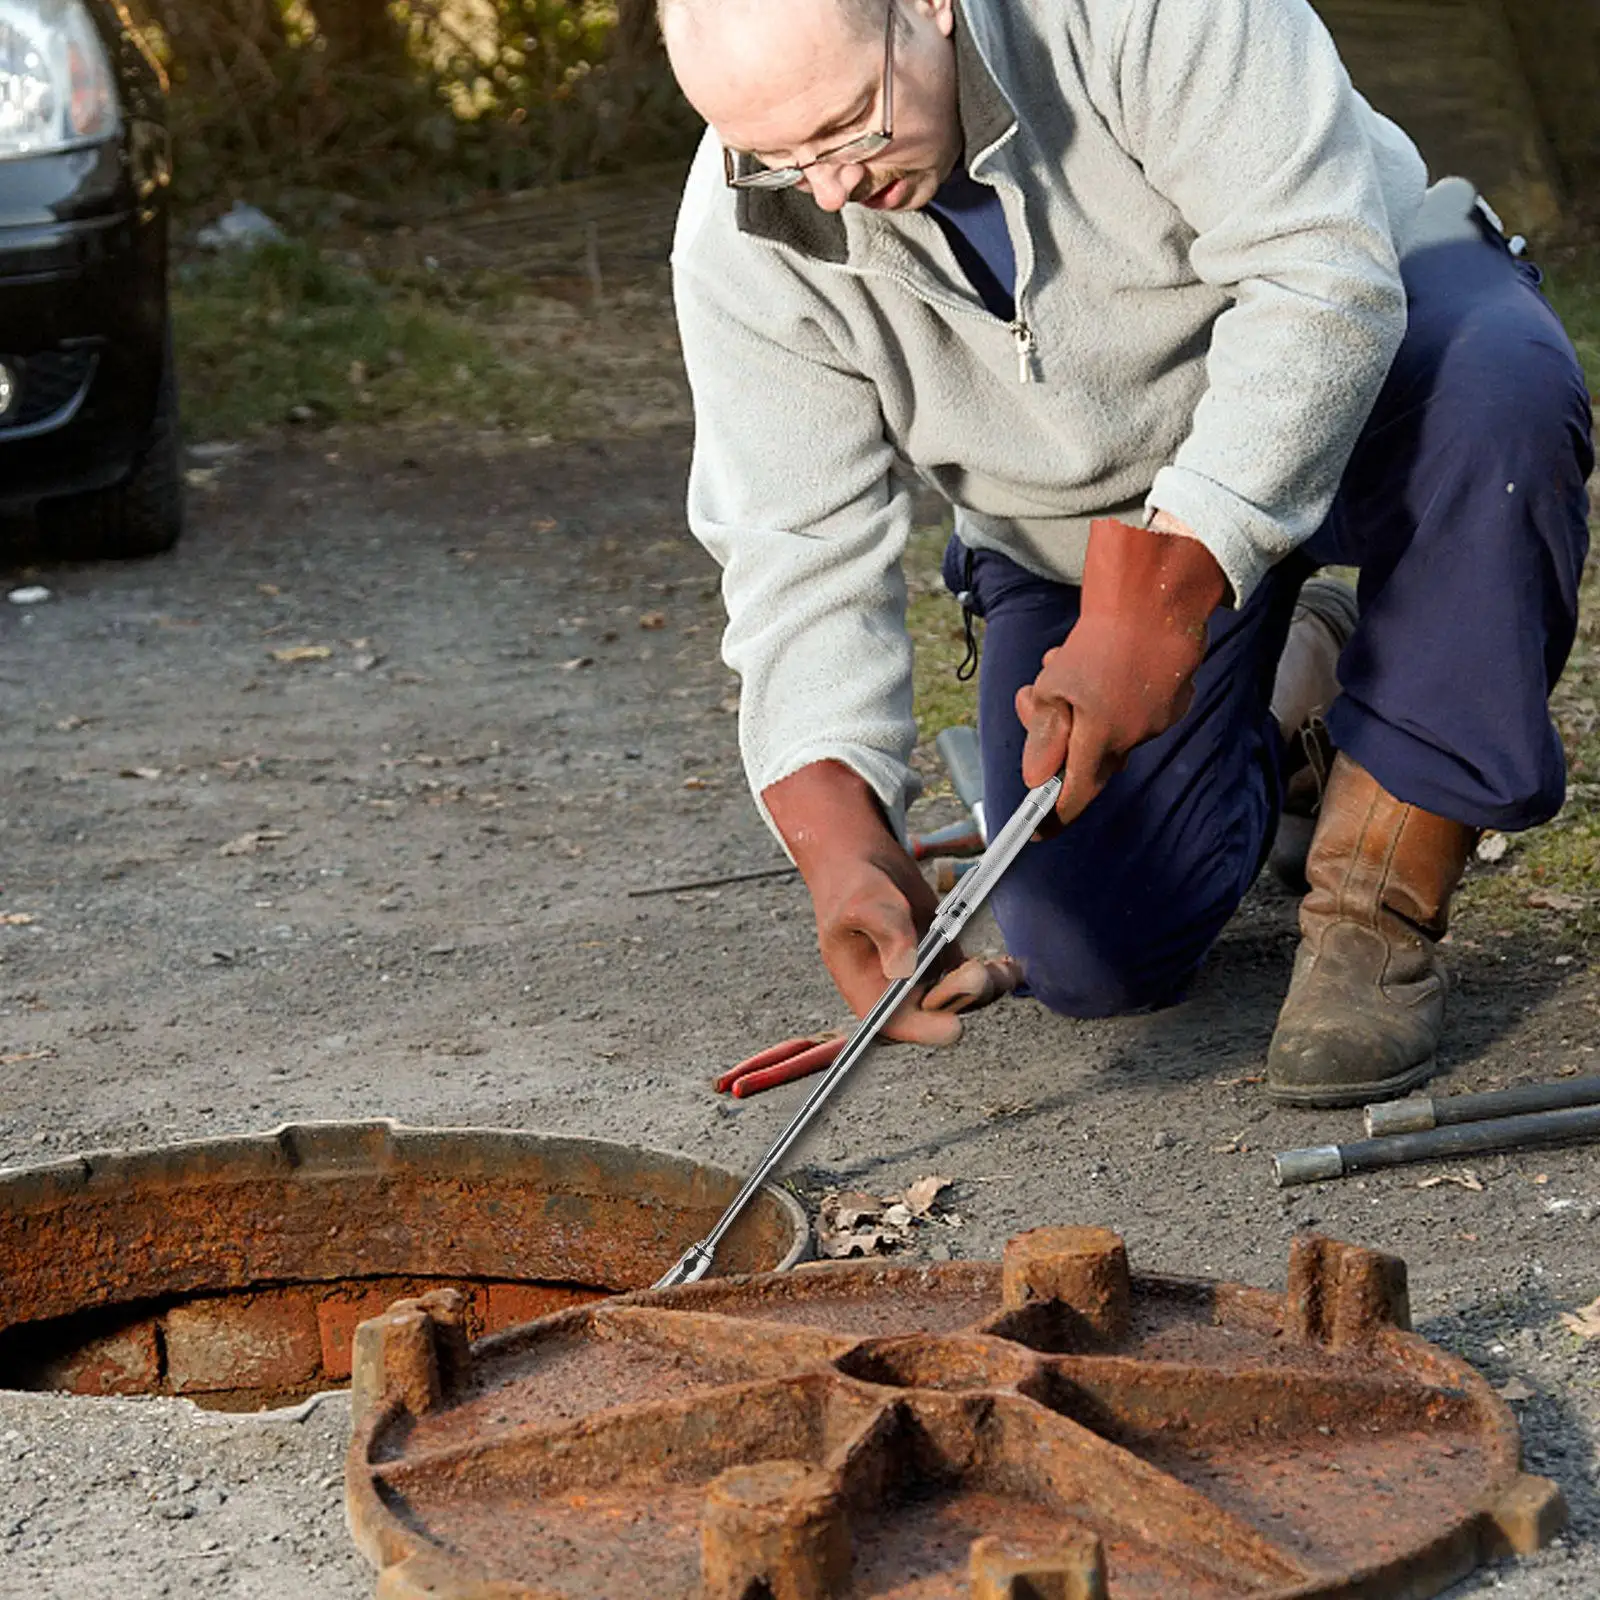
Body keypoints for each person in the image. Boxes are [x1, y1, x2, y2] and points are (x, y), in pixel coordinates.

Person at [659, 0, 1594, 1106]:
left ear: (928, 8)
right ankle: (1302, 682)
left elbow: (1318, 279)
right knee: (1093, 953)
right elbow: (792, 543)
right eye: (774, 157)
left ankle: (1371, 915)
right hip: (1078, 530)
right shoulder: (748, 235)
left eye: (850, 126)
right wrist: (840, 840)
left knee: (1501, 399)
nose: (827, 188)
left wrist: (1165, 592)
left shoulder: (1147, 13)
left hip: (1376, 369)